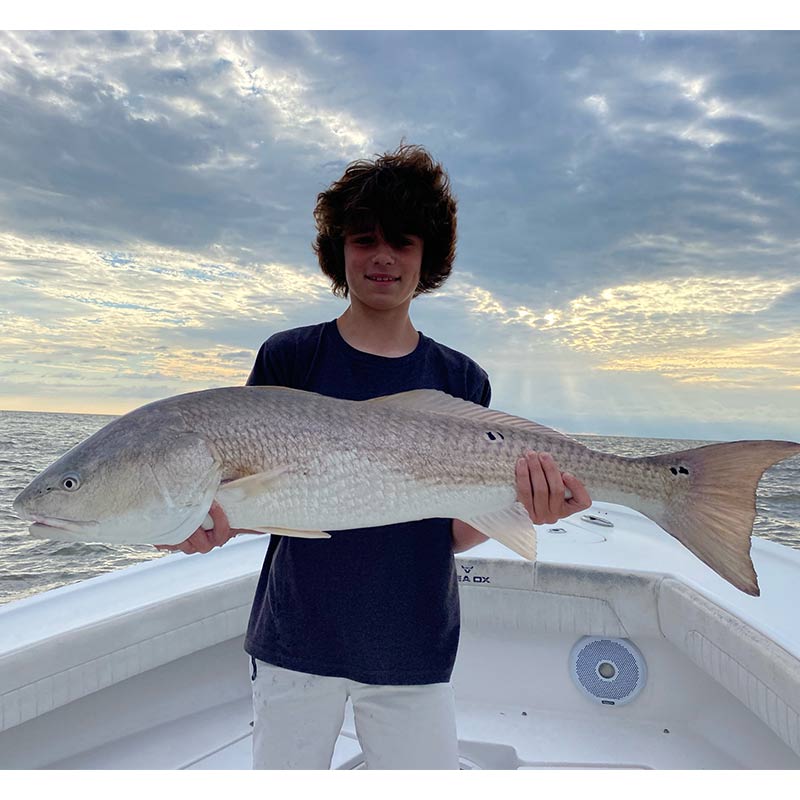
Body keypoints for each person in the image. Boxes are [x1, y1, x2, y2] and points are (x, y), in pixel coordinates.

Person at [160, 144, 592, 769]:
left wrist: (530, 509)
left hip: (414, 643)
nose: (383, 256)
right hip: (295, 638)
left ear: (429, 257)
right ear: (339, 252)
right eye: (363, 240)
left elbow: (450, 531)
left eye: (403, 242)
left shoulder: (460, 378)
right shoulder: (290, 358)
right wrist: (196, 523)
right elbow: (250, 498)